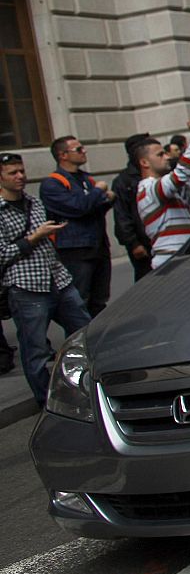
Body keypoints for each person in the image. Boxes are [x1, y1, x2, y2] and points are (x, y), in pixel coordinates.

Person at [0, 152, 90, 406]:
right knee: (36, 350)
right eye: (12, 173)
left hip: (57, 280)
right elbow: (2, 253)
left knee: (85, 334)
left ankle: (87, 389)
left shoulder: (33, 202)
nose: (20, 177)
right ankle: (48, 402)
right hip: (26, 286)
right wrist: (35, 237)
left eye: (21, 171)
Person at [39, 135, 114, 317]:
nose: (84, 151)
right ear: (63, 155)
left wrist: (103, 198)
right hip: (76, 250)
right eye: (78, 149)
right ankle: (78, 341)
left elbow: (96, 205)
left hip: (98, 246)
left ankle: (97, 338)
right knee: (79, 302)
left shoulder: (85, 179)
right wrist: (98, 192)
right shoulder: (53, 183)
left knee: (99, 299)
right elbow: (79, 207)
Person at [135, 118, 190, 268]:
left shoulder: (155, 188)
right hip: (172, 260)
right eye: (160, 155)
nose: (167, 157)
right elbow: (182, 173)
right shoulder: (149, 188)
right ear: (144, 163)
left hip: (179, 257)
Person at [111, 133, 157, 280]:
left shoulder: (157, 174)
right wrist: (133, 243)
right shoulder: (123, 181)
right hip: (142, 241)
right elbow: (122, 215)